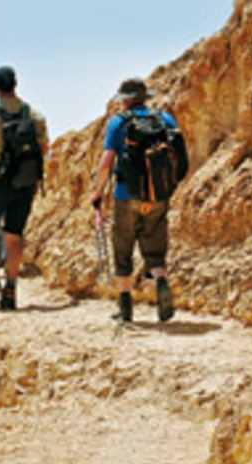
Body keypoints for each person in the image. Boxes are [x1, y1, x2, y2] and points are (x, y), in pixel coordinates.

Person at [89, 78, 179, 323]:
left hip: (126, 196)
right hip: (158, 196)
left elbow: (106, 162)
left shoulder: (119, 123)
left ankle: (125, 308)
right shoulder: (165, 120)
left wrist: (97, 193)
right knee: (155, 249)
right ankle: (160, 281)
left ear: (126, 100)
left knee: (123, 249)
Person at [0, 65, 49, 310]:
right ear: (16, 84)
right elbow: (44, 149)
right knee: (14, 236)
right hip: (25, 183)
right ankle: (10, 291)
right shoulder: (34, 116)